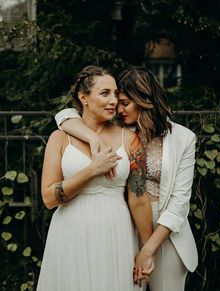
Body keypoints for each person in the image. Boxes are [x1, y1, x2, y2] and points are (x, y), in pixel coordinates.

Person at [55, 66, 198, 291]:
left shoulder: (183, 139)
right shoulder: (118, 128)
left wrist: (149, 248)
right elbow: (65, 116)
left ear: (144, 100)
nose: (117, 107)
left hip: (167, 232)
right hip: (125, 226)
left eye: (125, 103)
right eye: (115, 100)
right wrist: (92, 138)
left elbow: (180, 203)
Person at [37, 65, 153, 291]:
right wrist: (92, 170)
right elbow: (49, 198)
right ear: (84, 98)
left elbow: (139, 199)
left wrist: (147, 250)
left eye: (115, 93)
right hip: (70, 232)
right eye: (105, 93)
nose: (114, 101)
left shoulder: (131, 141)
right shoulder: (59, 138)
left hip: (115, 232)